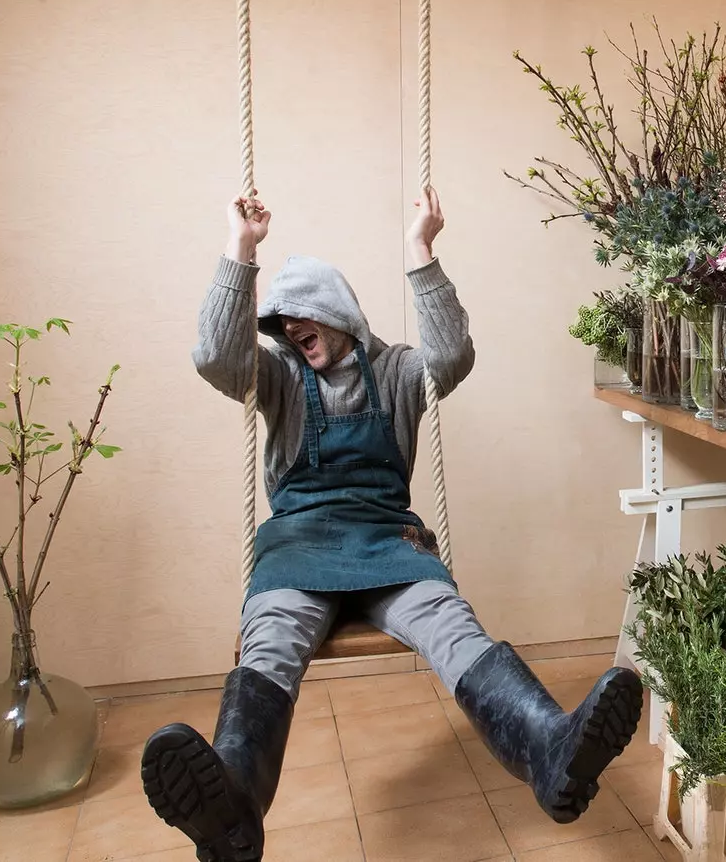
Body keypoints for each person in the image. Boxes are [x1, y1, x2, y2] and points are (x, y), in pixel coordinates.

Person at [141, 188, 642, 862]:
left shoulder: (401, 370)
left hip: (388, 541)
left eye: (300, 316)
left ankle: (549, 750)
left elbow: (454, 354)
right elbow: (213, 357)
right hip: (299, 544)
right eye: (280, 321)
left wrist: (420, 250)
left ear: (338, 313)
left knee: (450, 623)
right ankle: (232, 802)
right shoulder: (281, 376)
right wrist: (241, 250)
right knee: (271, 643)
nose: (290, 329)